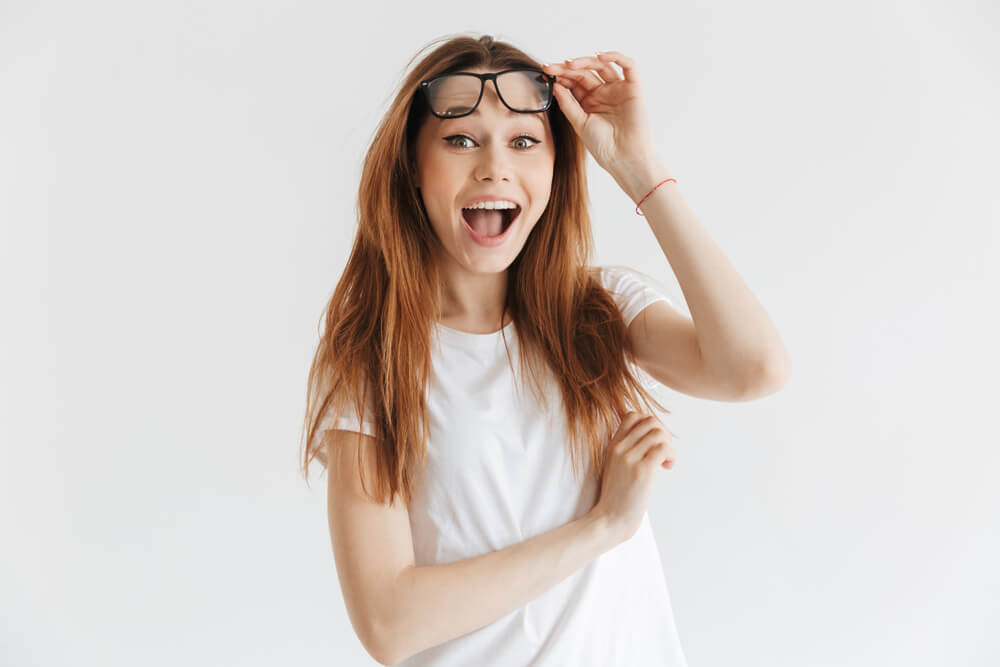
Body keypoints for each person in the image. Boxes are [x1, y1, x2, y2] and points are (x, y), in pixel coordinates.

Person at [301, 33, 790, 666]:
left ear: (556, 168)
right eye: (460, 140)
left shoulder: (599, 311)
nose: (494, 167)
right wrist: (602, 527)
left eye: (524, 142)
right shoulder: (376, 363)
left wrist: (636, 165)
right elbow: (389, 625)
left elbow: (755, 368)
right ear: (412, 169)